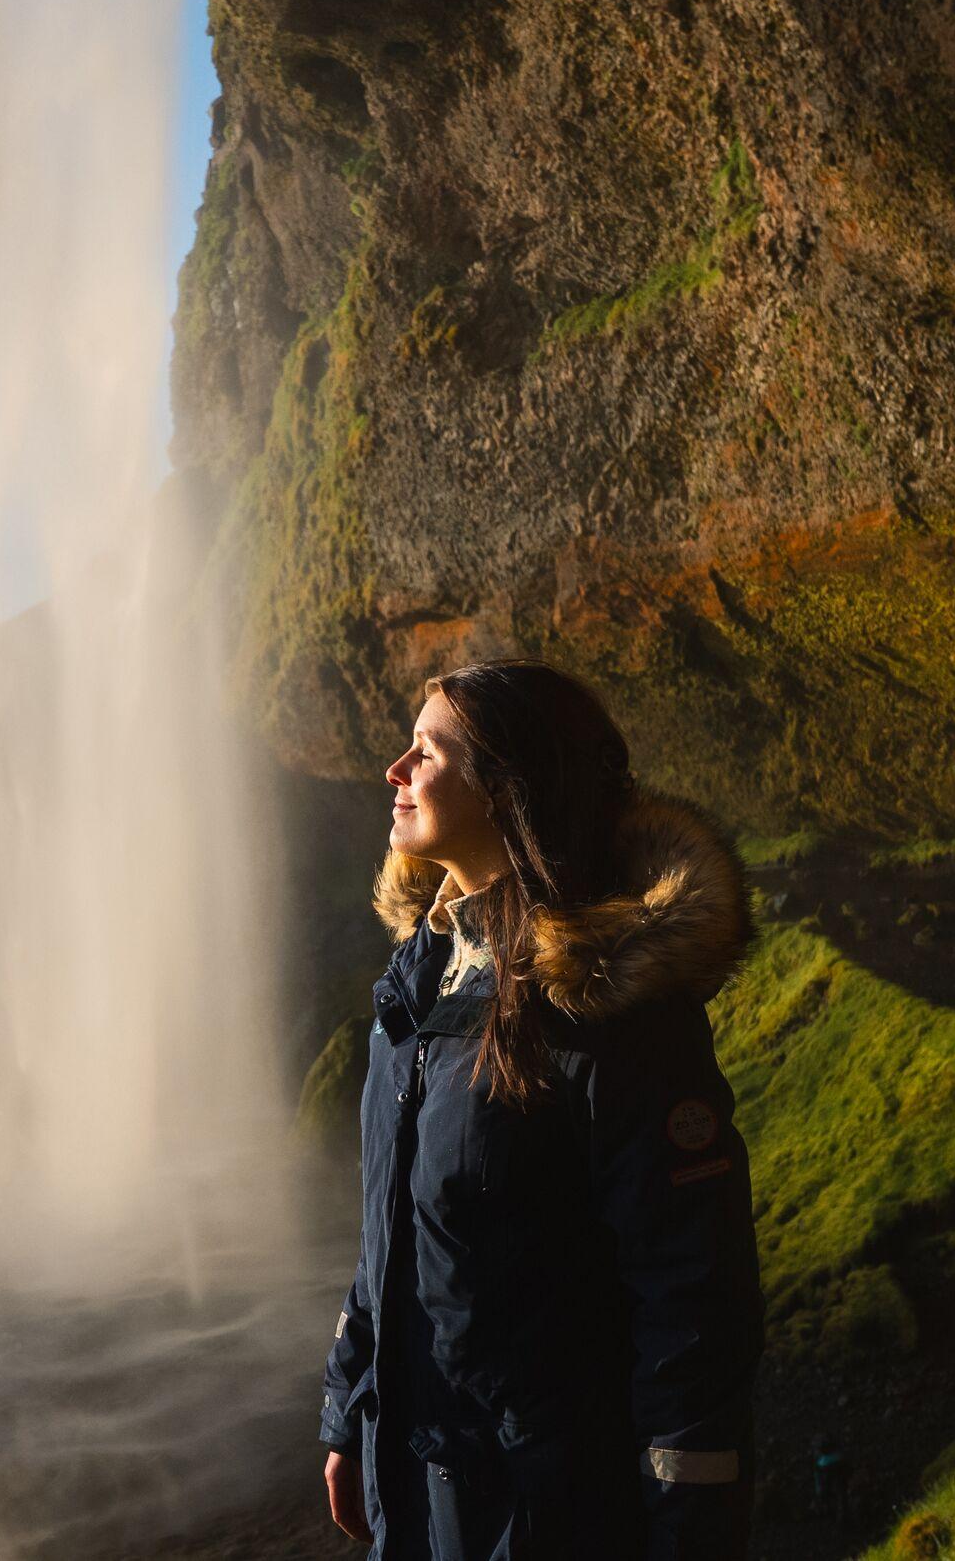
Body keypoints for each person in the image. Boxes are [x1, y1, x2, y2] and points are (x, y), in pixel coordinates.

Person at [319, 659, 763, 1560]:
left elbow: (691, 1306)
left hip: (548, 1518)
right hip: (416, 1488)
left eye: (427, 751)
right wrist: (348, 1408)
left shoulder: (611, 1017)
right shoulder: (413, 985)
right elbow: (390, 1232)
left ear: (506, 788)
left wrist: (690, 1530)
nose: (395, 769)